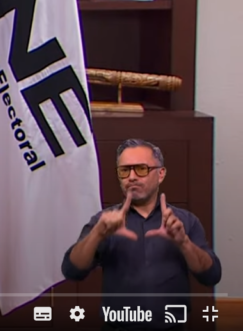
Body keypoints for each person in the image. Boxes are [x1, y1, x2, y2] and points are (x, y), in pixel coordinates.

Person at [61, 139, 221, 330]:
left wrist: (183, 243)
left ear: (160, 174)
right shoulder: (104, 222)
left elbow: (211, 276)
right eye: (124, 170)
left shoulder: (184, 222)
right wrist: (98, 234)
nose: (132, 177)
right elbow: (72, 271)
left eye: (141, 169)